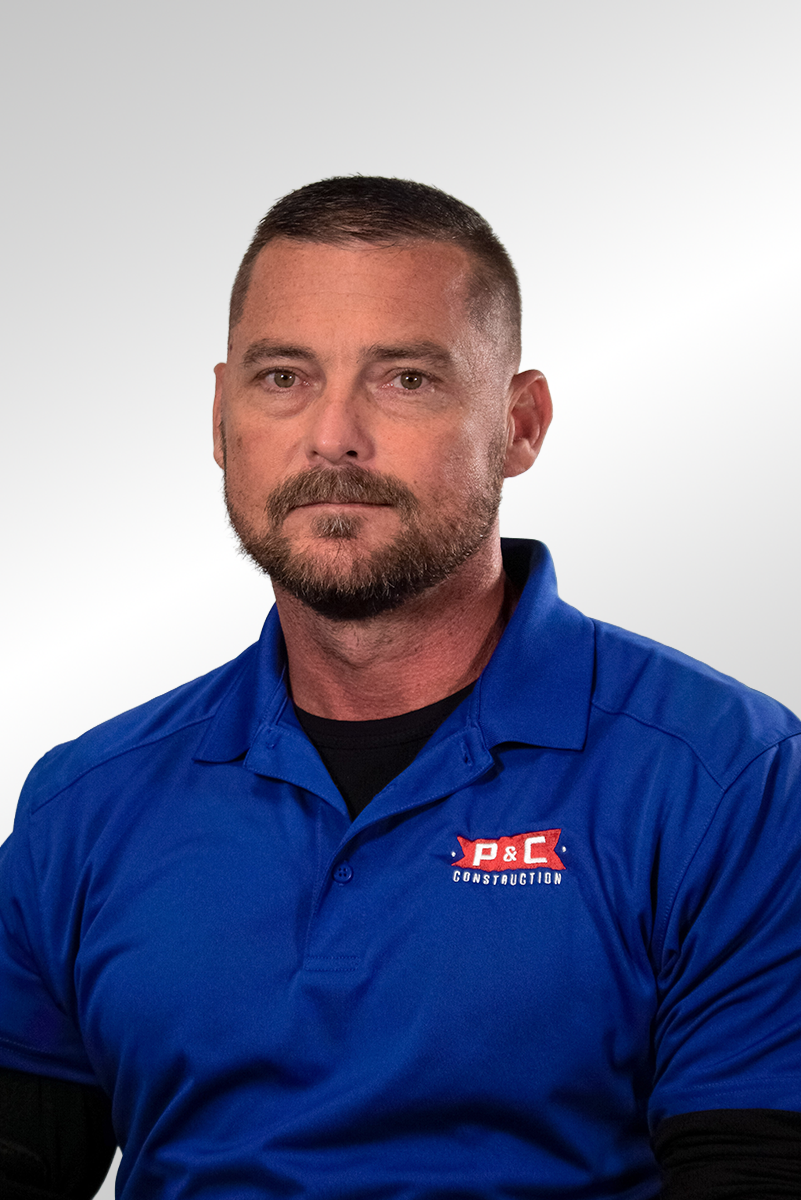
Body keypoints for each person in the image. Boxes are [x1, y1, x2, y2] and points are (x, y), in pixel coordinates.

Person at [1, 176, 799, 1200]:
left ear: (521, 423)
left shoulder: (731, 784)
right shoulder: (86, 803)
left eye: (406, 380)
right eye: (283, 377)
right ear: (219, 416)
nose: (333, 436)